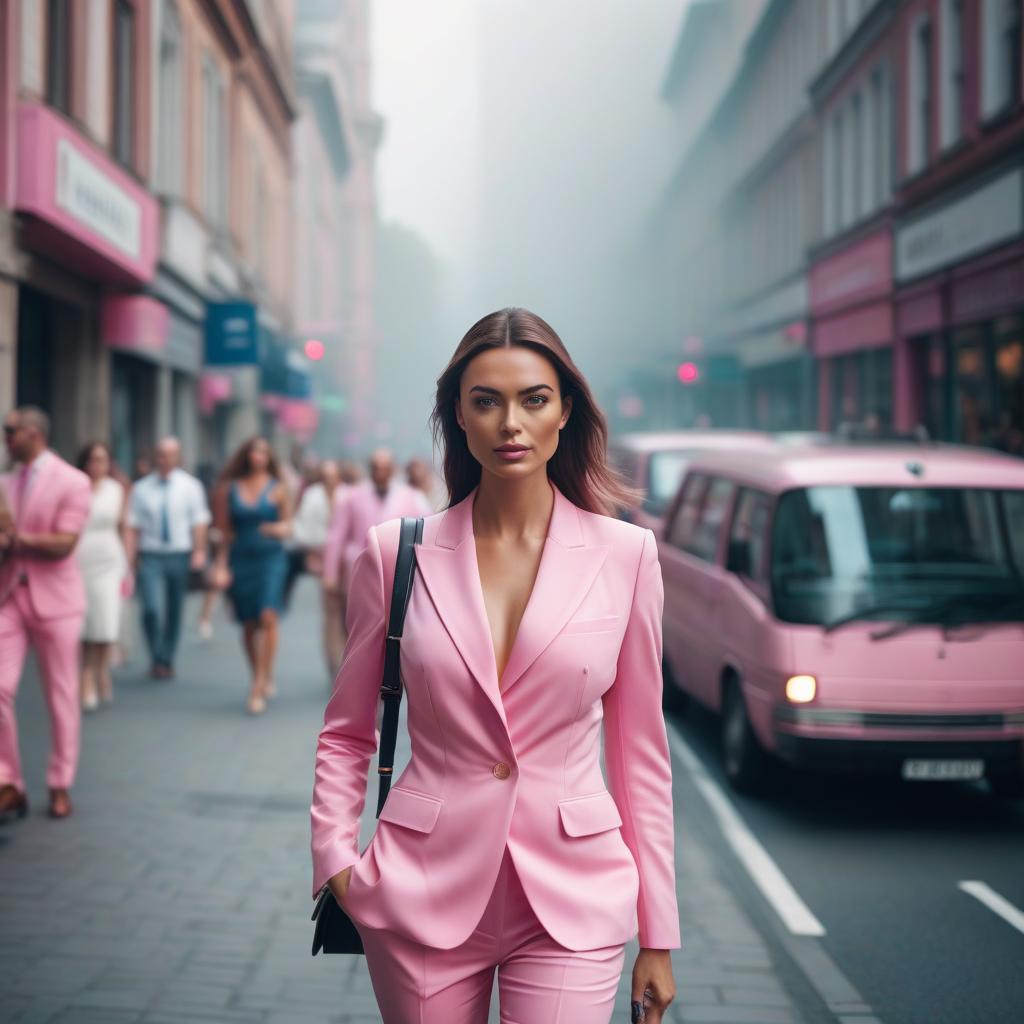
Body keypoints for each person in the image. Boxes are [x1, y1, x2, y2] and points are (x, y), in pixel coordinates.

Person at [310, 309, 679, 1022]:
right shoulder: (395, 553)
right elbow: (347, 730)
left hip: (574, 898)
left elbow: (641, 757)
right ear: (459, 415)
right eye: (487, 401)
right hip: (421, 889)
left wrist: (658, 932)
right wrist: (335, 861)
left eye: (534, 399)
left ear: (565, 411)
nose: (511, 422)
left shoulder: (627, 557)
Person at [0, 406, 92, 822]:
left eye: (11, 430)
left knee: (61, 695)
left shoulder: (73, 481)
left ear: (33, 434)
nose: (5, 437)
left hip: (56, 600)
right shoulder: (4, 480)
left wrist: (15, 539)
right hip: (9, 597)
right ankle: (8, 782)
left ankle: (60, 782)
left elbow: (65, 543)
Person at [210, 437, 292, 715]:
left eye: (264, 452)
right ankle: (257, 670)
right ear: (246, 455)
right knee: (248, 623)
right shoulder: (229, 489)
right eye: (255, 451)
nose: (259, 456)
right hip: (240, 558)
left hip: (271, 557)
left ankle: (260, 682)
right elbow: (224, 532)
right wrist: (220, 565)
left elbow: (289, 525)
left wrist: (279, 529)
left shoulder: (279, 488)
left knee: (268, 616)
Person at [125, 437, 210, 679]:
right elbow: (133, 526)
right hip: (150, 554)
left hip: (179, 553)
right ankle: (155, 653)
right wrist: (130, 559)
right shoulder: (141, 489)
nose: (166, 459)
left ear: (178, 457)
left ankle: (167, 658)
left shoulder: (191, 486)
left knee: (175, 608)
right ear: (156, 456)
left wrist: (199, 551)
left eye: (172, 454)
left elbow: (199, 521)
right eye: (162, 454)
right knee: (151, 608)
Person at [322, 448, 430, 605]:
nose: (380, 472)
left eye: (385, 468)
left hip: (398, 572)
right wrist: (330, 574)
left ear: (392, 469)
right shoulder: (352, 496)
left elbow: (424, 534)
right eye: (376, 467)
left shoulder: (411, 497)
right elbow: (337, 536)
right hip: (360, 569)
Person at [75, 442, 130, 711]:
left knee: (107, 621)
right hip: (78, 559)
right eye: (93, 459)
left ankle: (101, 669)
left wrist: (128, 564)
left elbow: (124, 527)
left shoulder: (116, 489)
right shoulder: (75, 487)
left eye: (103, 460)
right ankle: (86, 675)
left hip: (108, 559)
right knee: (86, 621)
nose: (97, 465)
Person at [292, 458, 346, 678]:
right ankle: (334, 664)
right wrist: (316, 552)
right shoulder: (312, 496)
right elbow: (303, 529)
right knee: (331, 611)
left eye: (333, 477)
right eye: (326, 477)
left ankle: (349, 662)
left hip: (350, 562)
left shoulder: (349, 495)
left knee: (350, 613)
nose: (330, 482)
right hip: (323, 559)